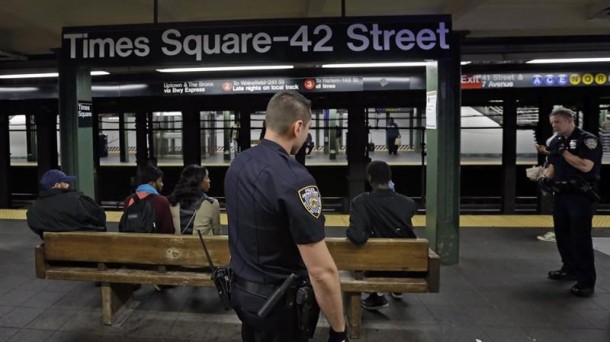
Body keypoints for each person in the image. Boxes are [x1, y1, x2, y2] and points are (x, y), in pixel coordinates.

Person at [225, 90, 347, 342]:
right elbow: (322, 271)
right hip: (278, 306)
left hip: (240, 294)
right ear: (298, 126)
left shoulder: (239, 164)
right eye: (308, 127)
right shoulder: (297, 180)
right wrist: (339, 331)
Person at [538, 108, 602, 297]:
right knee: (563, 234)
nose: (554, 126)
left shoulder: (587, 140)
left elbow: (585, 166)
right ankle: (570, 268)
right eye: (552, 123)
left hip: (580, 196)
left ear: (568, 120)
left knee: (580, 238)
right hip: (562, 194)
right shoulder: (557, 141)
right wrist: (545, 179)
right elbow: (553, 164)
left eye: (557, 122)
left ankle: (586, 281)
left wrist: (565, 153)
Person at [346, 160, 417, 310]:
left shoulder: (360, 202)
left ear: (370, 178)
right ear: (389, 179)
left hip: (375, 267)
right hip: (406, 266)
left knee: (356, 253)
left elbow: (357, 236)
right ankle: (396, 289)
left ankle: (376, 295)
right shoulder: (409, 203)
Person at [27, 169, 106, 239]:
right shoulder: (77, 200)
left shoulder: (33, 209)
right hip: (87, 247)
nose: (68, 184)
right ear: (56, 185)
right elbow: (100, 218)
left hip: (54, 251)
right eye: (65, 182)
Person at [168, 164, 221, 236]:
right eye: (207, 178)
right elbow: (217, 233)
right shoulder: (211, 204)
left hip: (177, 246)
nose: (209, 180)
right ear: (198, 181)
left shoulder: (172, 202)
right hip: (201, 246)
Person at [123, 164, 175, 234]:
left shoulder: (129, 200)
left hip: (131, 242)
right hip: (155, 243)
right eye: (160, 181)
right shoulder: (162, 201)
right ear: (152, 183)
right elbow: (168, 229)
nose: (162, 184)